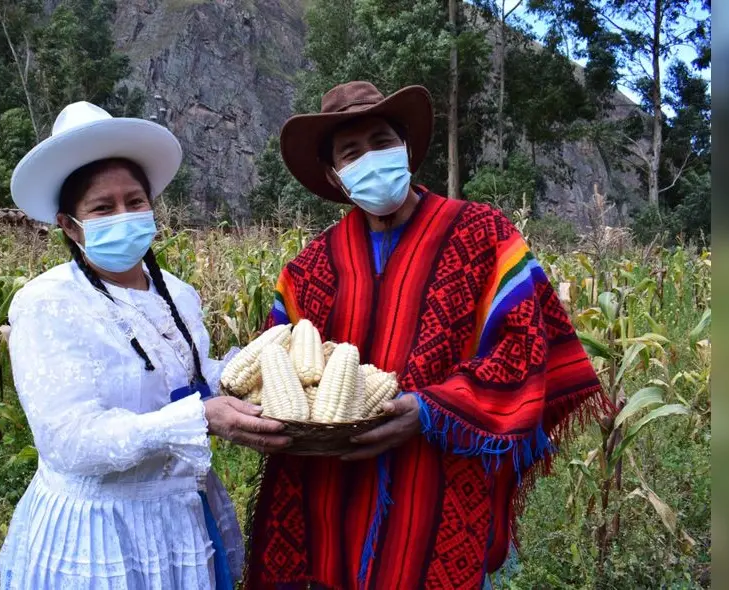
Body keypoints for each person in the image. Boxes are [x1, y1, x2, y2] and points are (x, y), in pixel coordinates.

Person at [244, 81, 607, 589]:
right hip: (331, 490)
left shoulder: (484, 234)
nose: (370, 157)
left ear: (407, 150)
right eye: (351, 152)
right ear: (334, 175)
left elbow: (528, 347)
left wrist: (430, 410)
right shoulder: (306, 270)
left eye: (382, 142)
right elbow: (272, 368)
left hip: (439, 485)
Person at [0, 101, 290, 589]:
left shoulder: (177, 293)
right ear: (70, 226)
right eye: (103, 208)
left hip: (182, 513)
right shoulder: (48, 303)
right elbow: (69, 440)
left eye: (135, 201)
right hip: (101, 529)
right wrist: (202, 417)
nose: (124, 215)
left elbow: (183, 377)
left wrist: (252, 374)